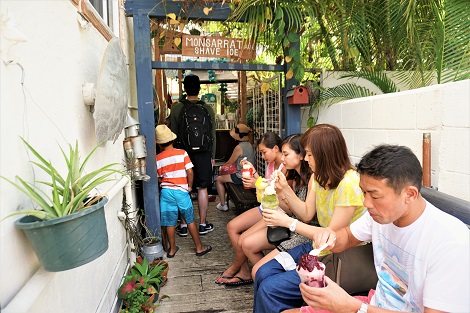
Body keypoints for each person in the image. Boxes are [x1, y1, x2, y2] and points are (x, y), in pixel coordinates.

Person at [298, 144, 470, 313]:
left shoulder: (451, 244)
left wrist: (352, 307)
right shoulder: (380, 215)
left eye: (375, 195)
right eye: (364, 193)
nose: (366, 203)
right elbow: (348, 237)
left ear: (409, 195)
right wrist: (330, 238)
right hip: (375, 303)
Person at [253, 124, 366, 313]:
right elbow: (306, 213)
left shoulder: (349, 183)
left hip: (338, 257)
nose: (305, 159)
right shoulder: (318, 177)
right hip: (315, 248)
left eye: (310, 154)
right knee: (263, 272)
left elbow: (330, 239)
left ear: (325, 154)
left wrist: (288, 222)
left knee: (269, 289)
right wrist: (285, 189)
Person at [214, 131, 284, 285]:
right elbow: (264, 188)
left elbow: (276, 195)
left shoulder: (285, 168)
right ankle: (245, 270)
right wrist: (253, 173)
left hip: (276, 211)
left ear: (276, 149)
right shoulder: (272, 164)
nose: (263, 156)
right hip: (265, 206)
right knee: (232, 226)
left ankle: (238, 268)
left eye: (264, 152)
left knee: (244, 239)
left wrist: (256, 183)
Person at [155, 125, 212, 258]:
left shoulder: (158, 158)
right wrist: (189, 186)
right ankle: (199, 247)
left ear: (159, 144)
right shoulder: (182, 153)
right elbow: (190, 171)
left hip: (166, 192)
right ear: (172, 140)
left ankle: (172, 249)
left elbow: (159, 178)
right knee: (189, 219)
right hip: (182, 191)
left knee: (169, 222)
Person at [170, 74, 216, 236]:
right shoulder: (207, 108)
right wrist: (212, 156)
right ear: (199, 88)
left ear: (184, 88)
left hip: (183, 153)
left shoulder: (177, 108)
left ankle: (183, 226)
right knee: (202, 188)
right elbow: (212, 134)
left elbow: (173, 134)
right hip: (204, 153)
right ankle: (202, 224)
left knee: (184, 188)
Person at [215, 123, 255, 212]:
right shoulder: (249, 144)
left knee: (219, 179)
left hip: (240, 177)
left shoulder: (239, 147)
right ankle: (230, 200)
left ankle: (222, 204)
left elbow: (230, 162)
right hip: (249, 174)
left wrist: (220, 168)